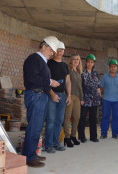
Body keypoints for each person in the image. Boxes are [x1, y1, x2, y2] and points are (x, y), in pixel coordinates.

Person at [22, 36, 60, 167]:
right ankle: (28, 157)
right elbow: (33, 78)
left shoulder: (42, 61)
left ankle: (32, 154)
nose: (52, 53)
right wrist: (50, 82)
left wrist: (50, 87)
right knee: (34, 127)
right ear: (43, 46)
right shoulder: (34, 59)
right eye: (51, 50)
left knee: (37, 127)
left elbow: (41, 80)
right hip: (35, 95)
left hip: (40, 96)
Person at [44, 40, 72, 153]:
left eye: (62, 50)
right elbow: (46, 80)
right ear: (54, 51)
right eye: (58, 50)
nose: (59, 52)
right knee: (50, 120)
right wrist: (52, 94)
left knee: (59, 121)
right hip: (52, 96)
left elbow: (68, 81)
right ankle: (48, 145)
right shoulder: (49, 63)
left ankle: (56, 143)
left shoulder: (65, 65)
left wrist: (69, 95)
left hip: (62, 96)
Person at [78, 54, 101, 143]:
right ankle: (81, 136)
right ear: (86, 62)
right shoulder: (82, 73)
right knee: (82, 118)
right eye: (88, 62)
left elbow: (98, 86)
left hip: (94, 100)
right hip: (85, 99)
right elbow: (80, 86)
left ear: (93, 63)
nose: (90, 64)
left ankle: (93, 136)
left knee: (93, 118)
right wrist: (81, 98)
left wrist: (99, 96)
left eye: (91, 62)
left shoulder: (96, 74)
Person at [100, 59, 118, 139]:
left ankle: (115, 133)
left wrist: (115, 93)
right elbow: (101, 87)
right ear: (109, 67)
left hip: (117, 101)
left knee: (116, 117)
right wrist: (107, 93)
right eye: (111, 66)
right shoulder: (105, 77)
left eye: (114, 66)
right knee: (105, 116)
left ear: (116, 67)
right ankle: (104, 133)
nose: (113, 68)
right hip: (106, 100)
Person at [63, 54, 84, 147]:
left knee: (77, 117)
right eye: (74, 59)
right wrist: (68, 95)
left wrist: (82, 98)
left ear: (79, 62)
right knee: (67, 117)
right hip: (69, 96)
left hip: (77, 98)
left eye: (77, 59)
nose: (76, 61)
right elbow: (66, 83)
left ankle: (73, 136)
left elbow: (80, 87)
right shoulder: (68, 70)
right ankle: (67, 137)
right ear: (71, 61)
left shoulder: (79, 72)